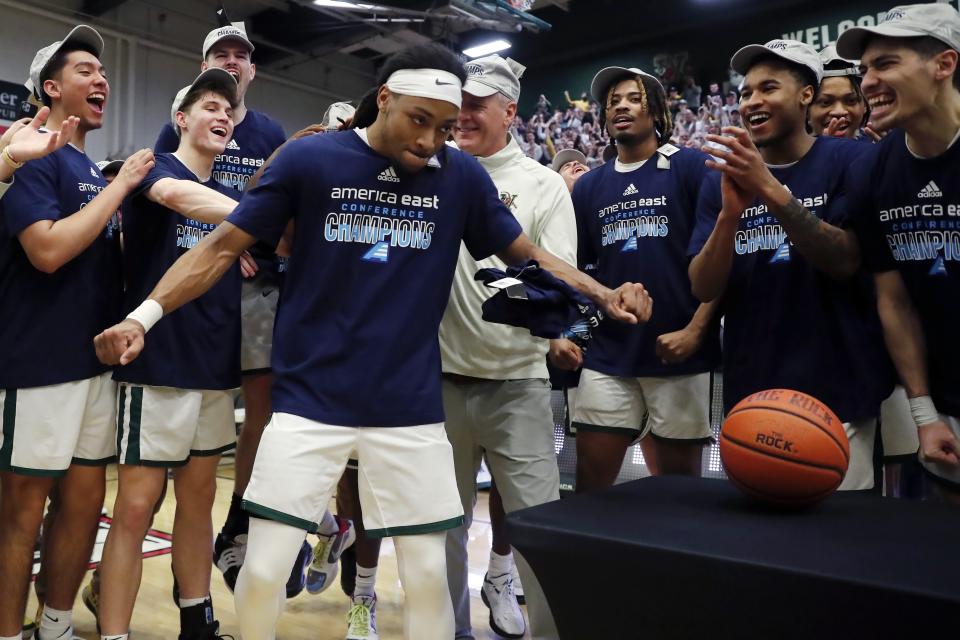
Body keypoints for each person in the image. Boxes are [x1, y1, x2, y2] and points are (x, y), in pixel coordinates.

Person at [92, 43, 651, 640]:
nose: (432, 140)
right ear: (384, 99)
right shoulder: (310, 161)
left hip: (409, 410)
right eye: (419, 119)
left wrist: (603, 293)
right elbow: (221, 247)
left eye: (444, 126)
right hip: (309, 403)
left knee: (429, 578)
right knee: (262, 571)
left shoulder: (459, 177)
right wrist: (142, 317)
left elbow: (530, 254)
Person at [153, 21, 329, 595]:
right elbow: (167, 198)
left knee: (261, 411)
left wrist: (248, 239)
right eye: (220, 54)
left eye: (241, 56)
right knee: (183, 428)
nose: (232, 61)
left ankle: (243, 521)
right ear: (203, 64)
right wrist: (234, 237)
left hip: (257, 287)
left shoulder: (272, 131)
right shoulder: (176, 127)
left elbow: (281, 211)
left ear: (253, 69)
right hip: (198, 284)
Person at [0, 25, 154, 640]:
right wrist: (121, 186)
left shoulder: (89, 169)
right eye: (85, 70)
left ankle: (56, 623)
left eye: (103, 72)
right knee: (21, 514)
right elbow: (47, 251)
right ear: (51, 88)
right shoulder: (32, 156)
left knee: (85, 506)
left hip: (95, 369)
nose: (102, 80)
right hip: (37, 368)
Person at [688, 39, 895, 490]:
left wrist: (770, 189)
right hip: (752, 392)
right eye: (745, 93)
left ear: (806, 95)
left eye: (768, 88)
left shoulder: (852, 159)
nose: (752, 101)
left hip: (839, 391)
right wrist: (728, 216)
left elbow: (844, 260)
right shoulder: (720, 177)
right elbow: (703, 287)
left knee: (837, 546)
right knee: (760, 546)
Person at [98, 68, 244, 640]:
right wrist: (251, 220)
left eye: (229, 110)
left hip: (212, 365)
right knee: (136, 506)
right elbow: (178, 198)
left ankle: (196, 621)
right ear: (181, 119)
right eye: (210, 106)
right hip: (156, 366)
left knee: (200, 501)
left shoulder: (232, 200)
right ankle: (114, 633)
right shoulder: (156, 166)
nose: (223, 116)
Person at [439, 54, 576, 640]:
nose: (463, 115)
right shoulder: (433, 169)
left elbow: (561, 278)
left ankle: (544, 626)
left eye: (476, 105)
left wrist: (521, 303)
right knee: (437, 528)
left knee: (540, 527)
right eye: (459, 104)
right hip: (438, 380)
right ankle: (447, 631)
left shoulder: (543, 185)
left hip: (518, 382)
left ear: (510, 111)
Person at [571, 66, 721, 491]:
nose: (620, 105)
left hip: (678, 352)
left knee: (678, 492)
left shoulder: (692, 168)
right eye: (613, 100)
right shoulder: (588, 187)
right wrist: (573, 334)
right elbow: (581, 274)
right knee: (590, 489)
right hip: (607, 355)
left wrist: (695, 331)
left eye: (633, 98)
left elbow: (720, 264)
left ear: (656, 111)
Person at [835, 3, 960, 495]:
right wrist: (924, 413)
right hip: (944, 402)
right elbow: (894, 300)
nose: (867, 83)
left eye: (885, 64)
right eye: (865, 69)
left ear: (943, 65)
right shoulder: (870, 170)